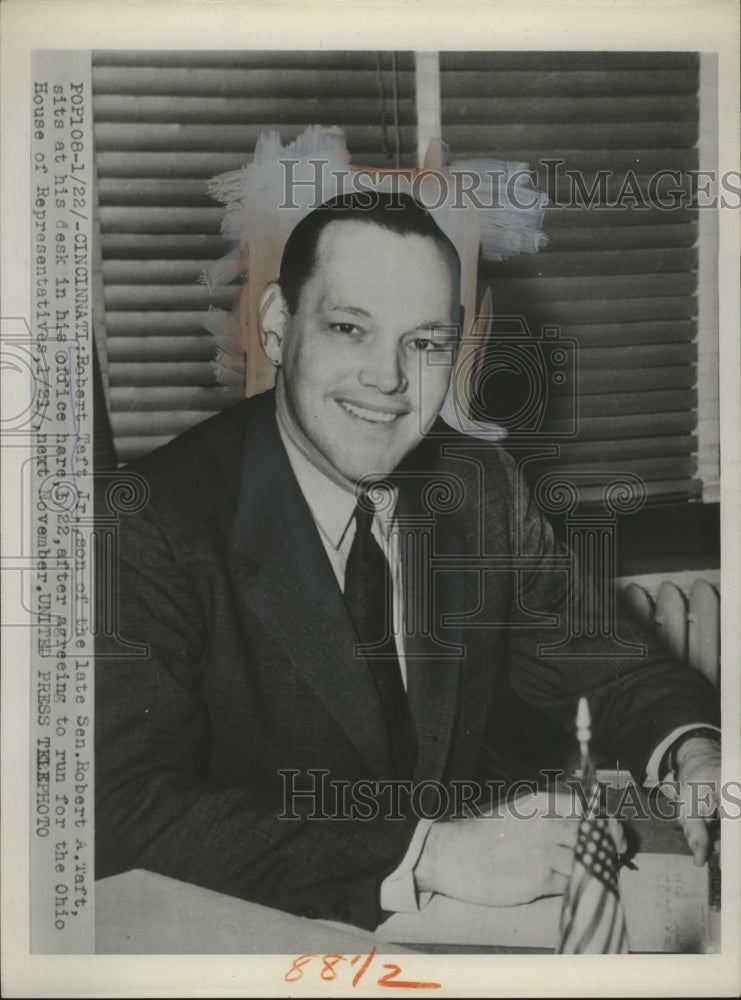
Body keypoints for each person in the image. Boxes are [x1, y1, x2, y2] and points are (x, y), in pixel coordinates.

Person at [95, 193, 720, 933]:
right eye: (349, 328)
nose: (389, 379)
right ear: (277, 324)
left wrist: (693, 752)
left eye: (424, 342)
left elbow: (605, 665)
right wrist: (428, 855)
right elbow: (120, 813)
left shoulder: (478, 485)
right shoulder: (148, 520)